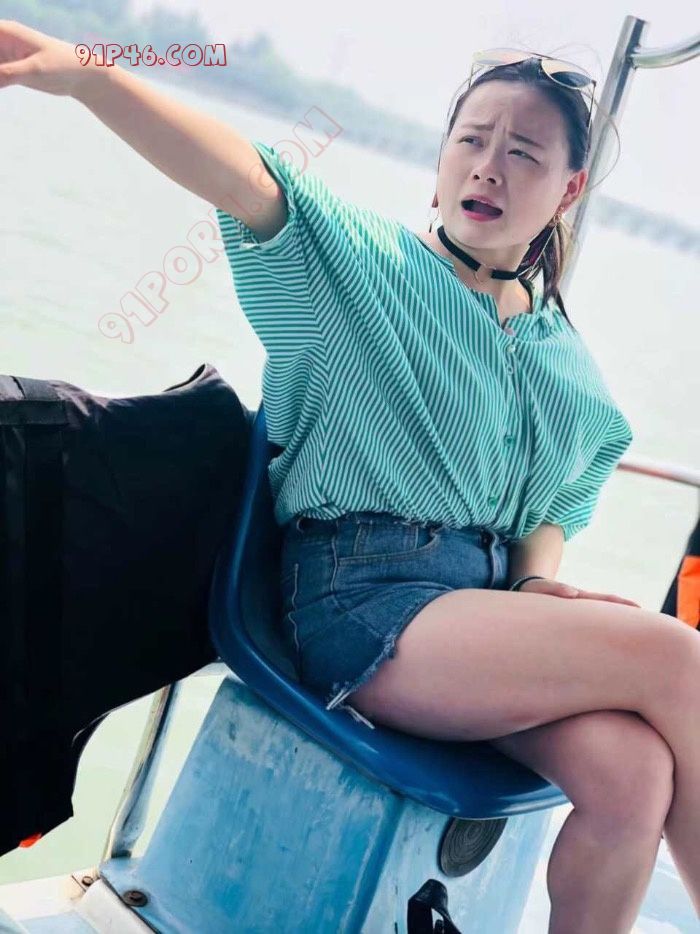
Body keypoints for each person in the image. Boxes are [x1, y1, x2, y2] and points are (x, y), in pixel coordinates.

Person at [1, 20, 698, 932]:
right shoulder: (362, 267)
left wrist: (535, 582)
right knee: (679, 657)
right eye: (472, 140)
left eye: (523, 152)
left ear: (569, 190)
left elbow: (555, 504)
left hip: (485, 618)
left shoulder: (563, 356)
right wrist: (86, 76)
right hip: (365, 603)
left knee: (634, 775)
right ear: (442, 159)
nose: (488, 167)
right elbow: (244, 177)